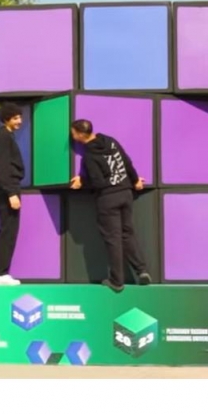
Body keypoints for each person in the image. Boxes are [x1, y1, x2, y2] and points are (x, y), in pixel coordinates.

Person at [70, 119, 150, 292]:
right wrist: (135, 180)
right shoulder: (110, 141)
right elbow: (127, 162)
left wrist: (81, 182)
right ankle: (142, 270)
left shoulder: (89, 156)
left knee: (113, 239)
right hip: (126, 193)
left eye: (74, 134)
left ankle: (116, 281)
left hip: (108, 198)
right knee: (127, 234)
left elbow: (97, 182)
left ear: (81, 134)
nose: (73, 137)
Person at [0, 103, 25, 286]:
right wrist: (11, 193)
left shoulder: (3, 135)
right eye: (16, 118)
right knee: (9, 231)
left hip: (4, 188)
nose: (20, 121)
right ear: (7, 119)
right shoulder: (4, 137)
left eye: (20, 117)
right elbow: (2, 168)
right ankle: (0, 273)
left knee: (6, 230)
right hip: (7, 189)